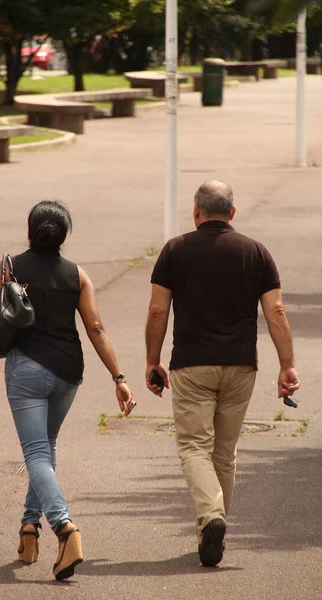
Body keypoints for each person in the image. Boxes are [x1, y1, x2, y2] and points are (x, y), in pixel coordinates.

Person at [0, 200, 134, 581]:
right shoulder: (77, 274)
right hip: (68, 373)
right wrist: (119, 378)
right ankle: (29, 530)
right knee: (45, 449)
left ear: (29, 231)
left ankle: (65, 529)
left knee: (36, 452)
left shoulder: (8, 268)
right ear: (65, 236)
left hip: (26, 371)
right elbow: (96, 329)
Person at [145, 181, 300, 567]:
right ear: (232, 212)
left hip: (192, 365)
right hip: (240, 365)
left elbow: (158, 312)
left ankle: (212, 516)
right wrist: (287, 364)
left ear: (196, 212)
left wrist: (153, 360)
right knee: (224, 453)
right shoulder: (255, 252)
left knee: (194, 447)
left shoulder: (175, 250)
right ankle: (210, 535)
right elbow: (276, 311)